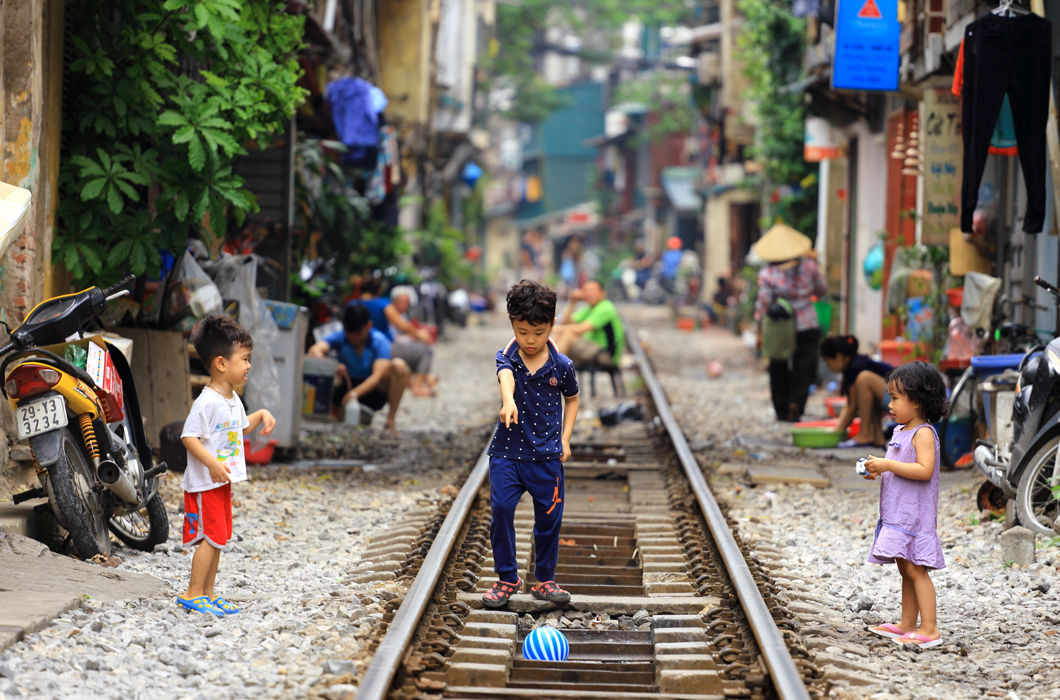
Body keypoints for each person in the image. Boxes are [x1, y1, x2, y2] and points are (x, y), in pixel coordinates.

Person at [482, 280, 580, 609]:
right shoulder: (508, 354)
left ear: (552, 326)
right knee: (502, 511)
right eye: (523, 331)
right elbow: (505, 375)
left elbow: (573, 399)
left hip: (546, 456)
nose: (530, 340)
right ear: (512, 323)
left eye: (538, 332)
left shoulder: (562, 365)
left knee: (549, 517)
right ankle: (507, 577)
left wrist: (565, 439)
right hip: (507, 453)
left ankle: (545, 579)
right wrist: (507, 401)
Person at [178, 315, 276, 617]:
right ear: (221, 363)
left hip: (221, 482)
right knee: (209, 538)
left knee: (218, 537)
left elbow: (236, 429)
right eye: (244, 359)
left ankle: (208, 592)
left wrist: (259, 415)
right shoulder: (206, 402)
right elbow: (189, 437)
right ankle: (193, 592)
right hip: (206, 483)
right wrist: (212, 464)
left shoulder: (232, 399)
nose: (249, 366)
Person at [860, 361, 947, 649]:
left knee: (915, 569)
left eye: (896, 398)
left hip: (914, 516)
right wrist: (881, 470)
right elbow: (901, 466)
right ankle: (907, 623)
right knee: (904, 568)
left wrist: (889, 464)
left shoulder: (922, 432)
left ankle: (930, 627)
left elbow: (924, 470)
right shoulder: (901, 431)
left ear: (918, 401)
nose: (890, 404)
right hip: (898, 513)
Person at [753, 223, 828, 422]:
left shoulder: (768, 274)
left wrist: (759, 327)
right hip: (807, 323)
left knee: (778, 366)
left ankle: (781, 409)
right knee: (804, 367)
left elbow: (763, 302)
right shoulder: (811, 266)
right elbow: (822, 290)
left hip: (780, 327)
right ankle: (796, 404)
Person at [306, 303, 409, 434]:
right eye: (350, 333)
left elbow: (377, 376)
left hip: (372, 391)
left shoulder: (379, 341)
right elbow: (314, 350)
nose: (354, 338)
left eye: (358, 333)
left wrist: (355, 394)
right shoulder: (340, 337)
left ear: (368, 326)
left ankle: (390, 421)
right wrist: (333, 365)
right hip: (344, 386)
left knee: (399, 366)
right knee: (317, 363)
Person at [356, 279, 438, 397]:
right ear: (379, 291)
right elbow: (401, 324)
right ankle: (418, 387)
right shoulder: (382, 304)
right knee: (426, 350)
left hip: (359, 346)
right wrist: (419, 334)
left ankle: (419, 380)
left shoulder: (353, 303)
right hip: (382, 348)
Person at [820, 335, 894, 448]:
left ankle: (865, 433)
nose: (829, 367)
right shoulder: (853, 365)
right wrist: (838, 428)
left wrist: (836, 432)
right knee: (868, 396)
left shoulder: (855, 368)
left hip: (902, 398)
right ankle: (877, 437)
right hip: (892, 398)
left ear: (839, 357)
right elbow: (850, 403)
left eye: (829, 363)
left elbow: (852, 406)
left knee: (864, 380)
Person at [551, 279, 625, 369]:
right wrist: (573, 302)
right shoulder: (588, 309)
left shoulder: (606, 307)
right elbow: (565, 323)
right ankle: (548, 370)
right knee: (560, 334)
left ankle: (550, 371)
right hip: (591, 350)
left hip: (607, 355)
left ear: (602, 293)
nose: (589, 294)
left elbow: (580, 329)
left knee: (567, 337)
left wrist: (550, 329)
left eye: (593, 291)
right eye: (586, 291)